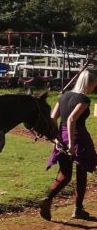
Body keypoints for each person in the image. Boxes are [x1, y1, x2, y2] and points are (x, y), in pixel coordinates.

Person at [39, 68, 97, 221]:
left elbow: (53, 118)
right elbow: (72, 119)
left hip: (62, 136)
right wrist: (71, 144)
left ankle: (48, 198)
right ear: (90, 83)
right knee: (81, 173)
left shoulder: (63, 96)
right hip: (78, 138)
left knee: (65, 174)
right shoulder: (84, 99)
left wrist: (57, 138)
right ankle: (78, 209)